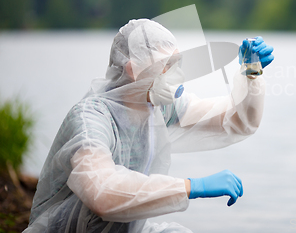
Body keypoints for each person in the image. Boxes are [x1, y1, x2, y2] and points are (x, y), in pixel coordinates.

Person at [25, 19, 274, 233]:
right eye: (166, 66)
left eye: (176, 63)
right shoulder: (90, 119)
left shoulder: (159, 106)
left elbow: (234, 120)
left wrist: (251, 72)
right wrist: (191, 187)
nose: (175, 73)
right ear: (134, 69)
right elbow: (102, 193)